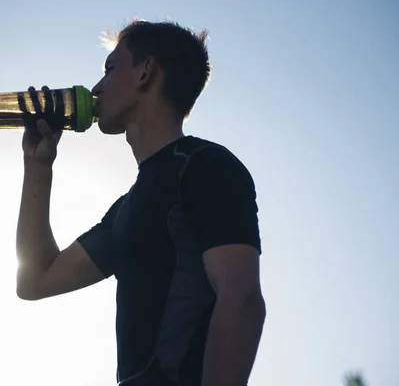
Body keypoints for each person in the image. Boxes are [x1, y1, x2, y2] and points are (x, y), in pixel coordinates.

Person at [15, 20, 266, 386]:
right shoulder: (125, 210)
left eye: (110, 69)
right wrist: (37, 167)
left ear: (146, 71)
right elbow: (36, 280)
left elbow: (242, 298)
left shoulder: (203, 165)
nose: (97, 87)